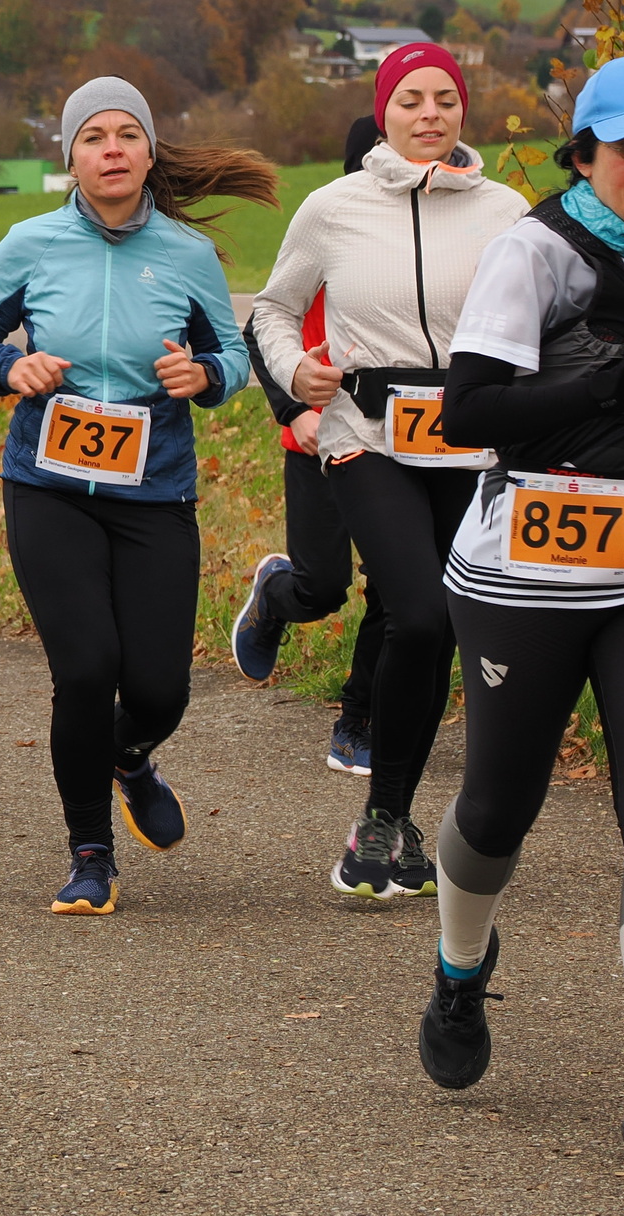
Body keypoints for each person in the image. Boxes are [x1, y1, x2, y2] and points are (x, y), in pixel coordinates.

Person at [416, 53, 624, 1143]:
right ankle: (461, 968)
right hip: (531, 555)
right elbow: (469, 412)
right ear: (587, 153)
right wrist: (613, 376)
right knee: (499, 806)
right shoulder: (535, 251)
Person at [0, 77, 274, 916]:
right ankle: (90, 854)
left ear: (150, 152)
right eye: (94, 137)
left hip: (154, 491)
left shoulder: (186, 256)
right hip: (48, 488)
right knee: (86, 669)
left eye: (128, 134)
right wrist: (7, 365)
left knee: (161, 690)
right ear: (72, 158)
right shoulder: (31, 243)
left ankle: (127, 756)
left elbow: (234, 358)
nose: (113, 149)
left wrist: (205, 376)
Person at [248, 44, 528, 899]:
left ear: (463, 108)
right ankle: (380, 818)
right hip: (365, 434)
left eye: (445, 97)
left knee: (444, 628)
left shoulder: (507, 211)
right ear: (383, 111)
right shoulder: (334, 208)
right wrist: (296, 372)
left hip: (472, 444)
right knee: (417, 611)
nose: (430, 113)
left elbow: (546, 319)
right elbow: (271, 311)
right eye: (411, 99)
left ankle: (393, 817)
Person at [234, 116, 387, 773]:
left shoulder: (437, 240)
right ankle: (275, 595)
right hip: (318, 440)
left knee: (396, 592)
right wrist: (294, 410)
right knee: (322, 588)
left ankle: (359, 721)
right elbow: (261, 330)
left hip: (401, 446)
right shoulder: (330, 229)